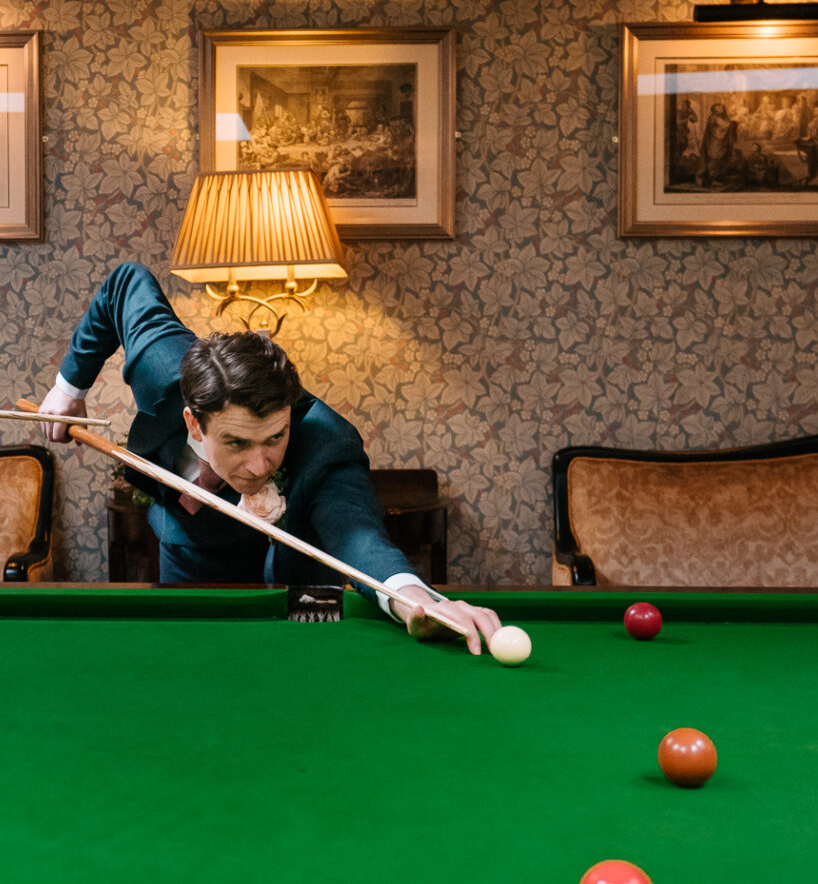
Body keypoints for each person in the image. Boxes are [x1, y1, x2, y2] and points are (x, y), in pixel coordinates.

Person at [38, 263, 501, 655]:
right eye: (238, 443)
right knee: (193, 663)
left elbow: (357, 534)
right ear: (194, 424)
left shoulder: (326, 443)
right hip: (190, 547)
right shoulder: (161, 366)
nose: (261, 466)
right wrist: (67, 389)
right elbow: (126, 281)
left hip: (294, 581)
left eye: (274, 438)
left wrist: (412, 597)